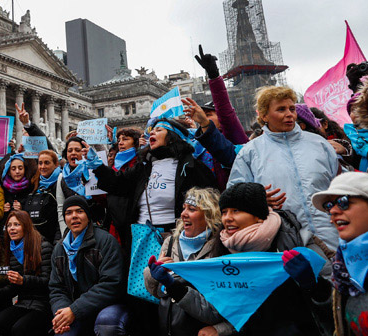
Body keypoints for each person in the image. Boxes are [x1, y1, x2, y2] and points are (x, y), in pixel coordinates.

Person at [228, 86, 340, 249]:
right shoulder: (250, 153)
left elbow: (338, 185)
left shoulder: (319, 144)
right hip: (283, 241)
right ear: (264, 115)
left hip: (331, 235)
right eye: (281, 109)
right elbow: (234, 197)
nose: (289, 114)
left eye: (292, 108)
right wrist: (256, 200)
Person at [215, 182, 332, 335]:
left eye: (236, 211)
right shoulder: (222, 246)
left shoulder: (296, 238)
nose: (227, 218)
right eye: (224, 212)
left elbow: (333, 298)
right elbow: (221, 306)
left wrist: (312, 284)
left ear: (258, 216)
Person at [94, 119, 216, 252]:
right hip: (142, 236)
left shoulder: (192, 167)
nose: (152, 132)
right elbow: (118, 184)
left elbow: (210, 203)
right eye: (152, 130)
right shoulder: (144, 166)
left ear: (172, 136)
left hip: (177, 235)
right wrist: (98, 166)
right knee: (144, 273)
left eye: (158, 130)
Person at [144, 187, 230, 335]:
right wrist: (152, 274)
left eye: (192, 209)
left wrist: (220, 330)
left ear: (209, 214)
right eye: (184, 208)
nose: (184, 214)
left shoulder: (221, 246)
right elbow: (158, 293)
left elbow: (231, 304)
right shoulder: (170, 242)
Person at [49, 195, 128, 336]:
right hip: (75, 308)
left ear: (87, 215)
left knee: (107, 324)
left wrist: (74, 310)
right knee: (63, 332)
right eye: (68, 213)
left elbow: (112, 284)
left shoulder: (105, 241)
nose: (74, 216)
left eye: (79, 211)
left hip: (108, 305)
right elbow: (56, 288)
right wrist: (62, 313)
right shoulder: (59, 248)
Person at [311, 171, 368, 335]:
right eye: (328, 207)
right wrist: (314, 287)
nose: (333, 212)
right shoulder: (343, 269)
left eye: (343, 202)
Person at [0, 210, 53, 336]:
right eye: (9, 225)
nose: (12, 229)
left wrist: (23, 280)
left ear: (26, 226)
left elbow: (48, 281)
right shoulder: (13, 249)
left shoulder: (43, 246)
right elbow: (14, 285)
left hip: (43, 304)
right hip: (24, 302)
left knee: (19, 329)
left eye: (16, 224)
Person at [56, 137, 105, 234]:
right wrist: (65, 232)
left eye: (77, 150)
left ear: (84, 153)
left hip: (96, 228)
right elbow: (61, 207)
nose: (73, 153)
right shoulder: (62, 177)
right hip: (73, 231)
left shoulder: (93, 172)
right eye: (70, 150)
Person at [22, 150, 61, 244]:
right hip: (34, 239)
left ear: (56, 164)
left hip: (53, 240)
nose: (42, 167)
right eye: (40, 163)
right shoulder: (34, 183)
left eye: (47, 163)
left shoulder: (61, 181)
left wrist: (58, 241)